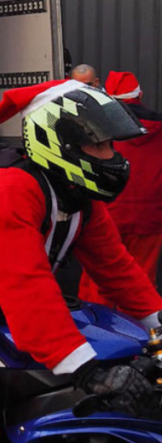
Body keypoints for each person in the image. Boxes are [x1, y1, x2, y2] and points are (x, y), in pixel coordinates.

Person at [0, 79, 162, 443]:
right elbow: (26, 285)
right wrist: (86, 371)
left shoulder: (78, 197)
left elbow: (117, 269)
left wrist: (158, 324)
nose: (114, 157)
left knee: (53, 412)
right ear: (62, 146)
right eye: (100, 145)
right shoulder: (12, 190)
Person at [80, 71, 162, 303]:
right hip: (150, 218)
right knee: (143, 279)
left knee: (98, 279)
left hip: (107, 216)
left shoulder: (99, 127)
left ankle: (100, 331)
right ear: (140, 94)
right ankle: (143, 334)